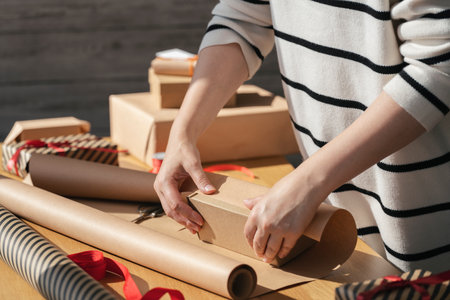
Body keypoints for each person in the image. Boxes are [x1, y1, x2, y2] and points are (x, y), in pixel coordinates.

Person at [154, 0, 450, 272]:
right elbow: (241, 20)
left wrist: (308, 182)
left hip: (421, 235)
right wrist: (183, 133)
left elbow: (438, 68)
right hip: (325, 219)